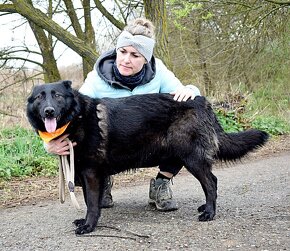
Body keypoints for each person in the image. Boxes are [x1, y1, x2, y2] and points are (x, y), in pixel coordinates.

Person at [45, 18, 201, 212]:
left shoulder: (158, 70)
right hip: (113, 148)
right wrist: (49, 143)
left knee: (181, 133)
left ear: (146, 58)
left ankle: (162, 182)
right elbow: (73, 114)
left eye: (135, 55)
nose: (126, 59)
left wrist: (191, 90)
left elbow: (184, 97)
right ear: (116, 51)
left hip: (149, 144)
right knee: (81, 148)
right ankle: (102, 182)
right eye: (123, 52)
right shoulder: (97, 77)